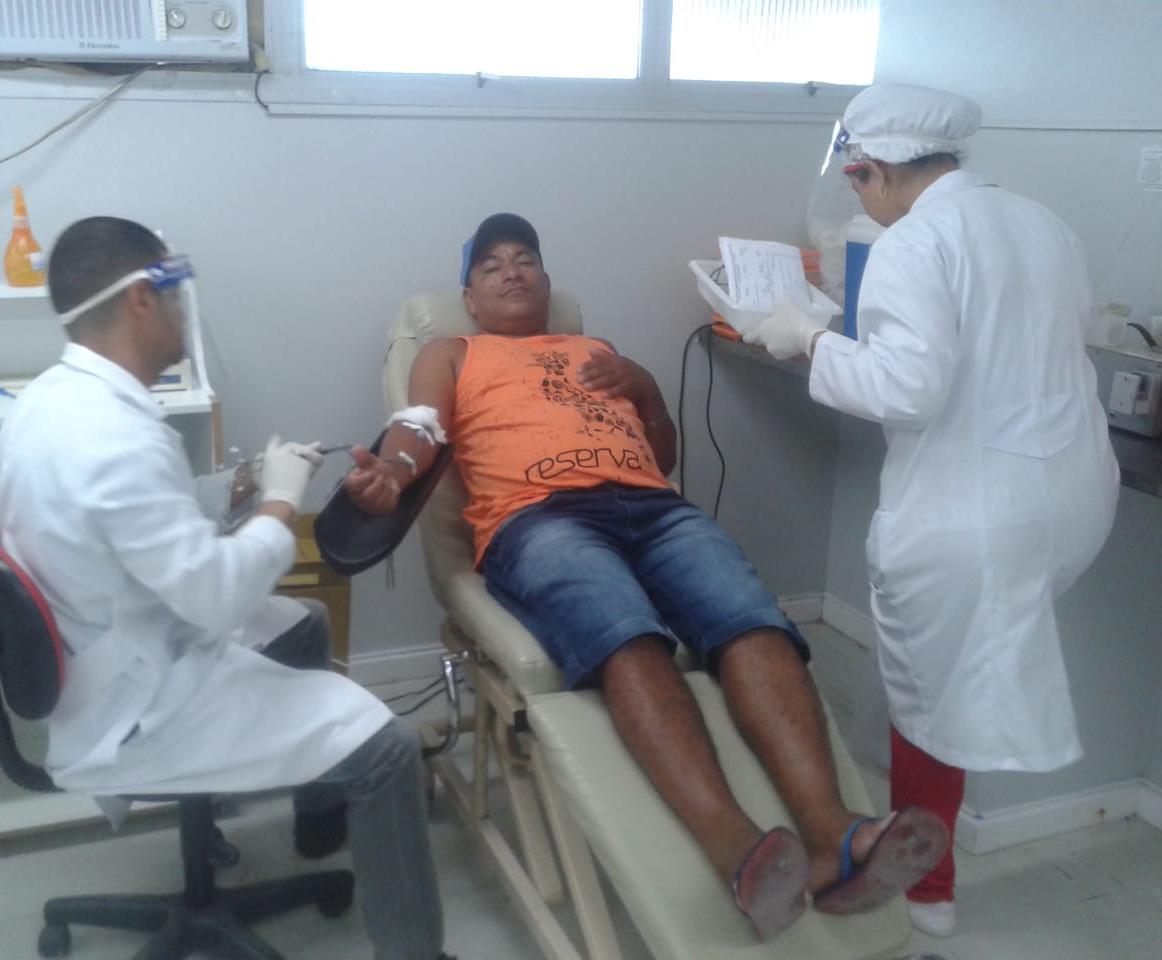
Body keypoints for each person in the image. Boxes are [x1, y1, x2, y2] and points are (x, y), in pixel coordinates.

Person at [342, 211, 949, 942]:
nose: (512, 271)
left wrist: (648, 390)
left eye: (525, 258)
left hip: (657, 510)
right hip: (538, 520)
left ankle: (832, 836)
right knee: (627, 633)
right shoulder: (450, 351)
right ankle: (739, 851)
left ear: (547, 281)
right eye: (492, 265)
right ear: (469, 297)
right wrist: (394, 471)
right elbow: (419, 427)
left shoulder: (596, 349)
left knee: (754, 622)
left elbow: (661, 458)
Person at [0, 216, 456, 960]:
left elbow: (136, 522)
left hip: (107, 643)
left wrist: (239, 486)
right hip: (138, 704)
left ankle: (318, 817)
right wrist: (280, 501)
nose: (185, 308)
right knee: (389, 750)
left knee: (303, 622)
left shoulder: (52, 401)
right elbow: (218, 599)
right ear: (141, 298)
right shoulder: (116, 440)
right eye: (176, 289)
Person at [743, 83, 1120, 937]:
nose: (860, 204)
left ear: (873, 170)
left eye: (857, 186)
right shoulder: (1041, 223)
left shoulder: (913, 242)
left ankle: (926, 899)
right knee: (950, 677)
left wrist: (809, 340)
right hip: (1068, 494)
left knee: (927, 694)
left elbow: (904, 390)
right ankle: (897, 832)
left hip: (974, 514)